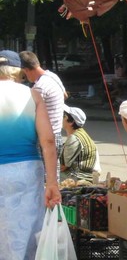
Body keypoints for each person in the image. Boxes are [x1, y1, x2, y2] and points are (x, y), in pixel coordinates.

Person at [0, 50, 61, 258]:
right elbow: (48, 141)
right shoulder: (32, 95)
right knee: (26, 231)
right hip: (26, 170)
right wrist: (52, 183)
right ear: (19, 72)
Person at [20, 50, 68, 179]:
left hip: (45, 137)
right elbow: (65, 95)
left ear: (25, 70)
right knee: (54, 172)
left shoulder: (39, 87)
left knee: (45, 177)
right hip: (57, 133)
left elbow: (29, 115)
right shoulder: (52, 76)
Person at [61, 105, 101, 182]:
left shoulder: (74, 139)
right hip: (88, 174)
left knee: (47, 175)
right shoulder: (82, 133)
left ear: (71, 122)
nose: (60, 118)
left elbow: (63, 166)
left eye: (63, 116)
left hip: (81, 177)